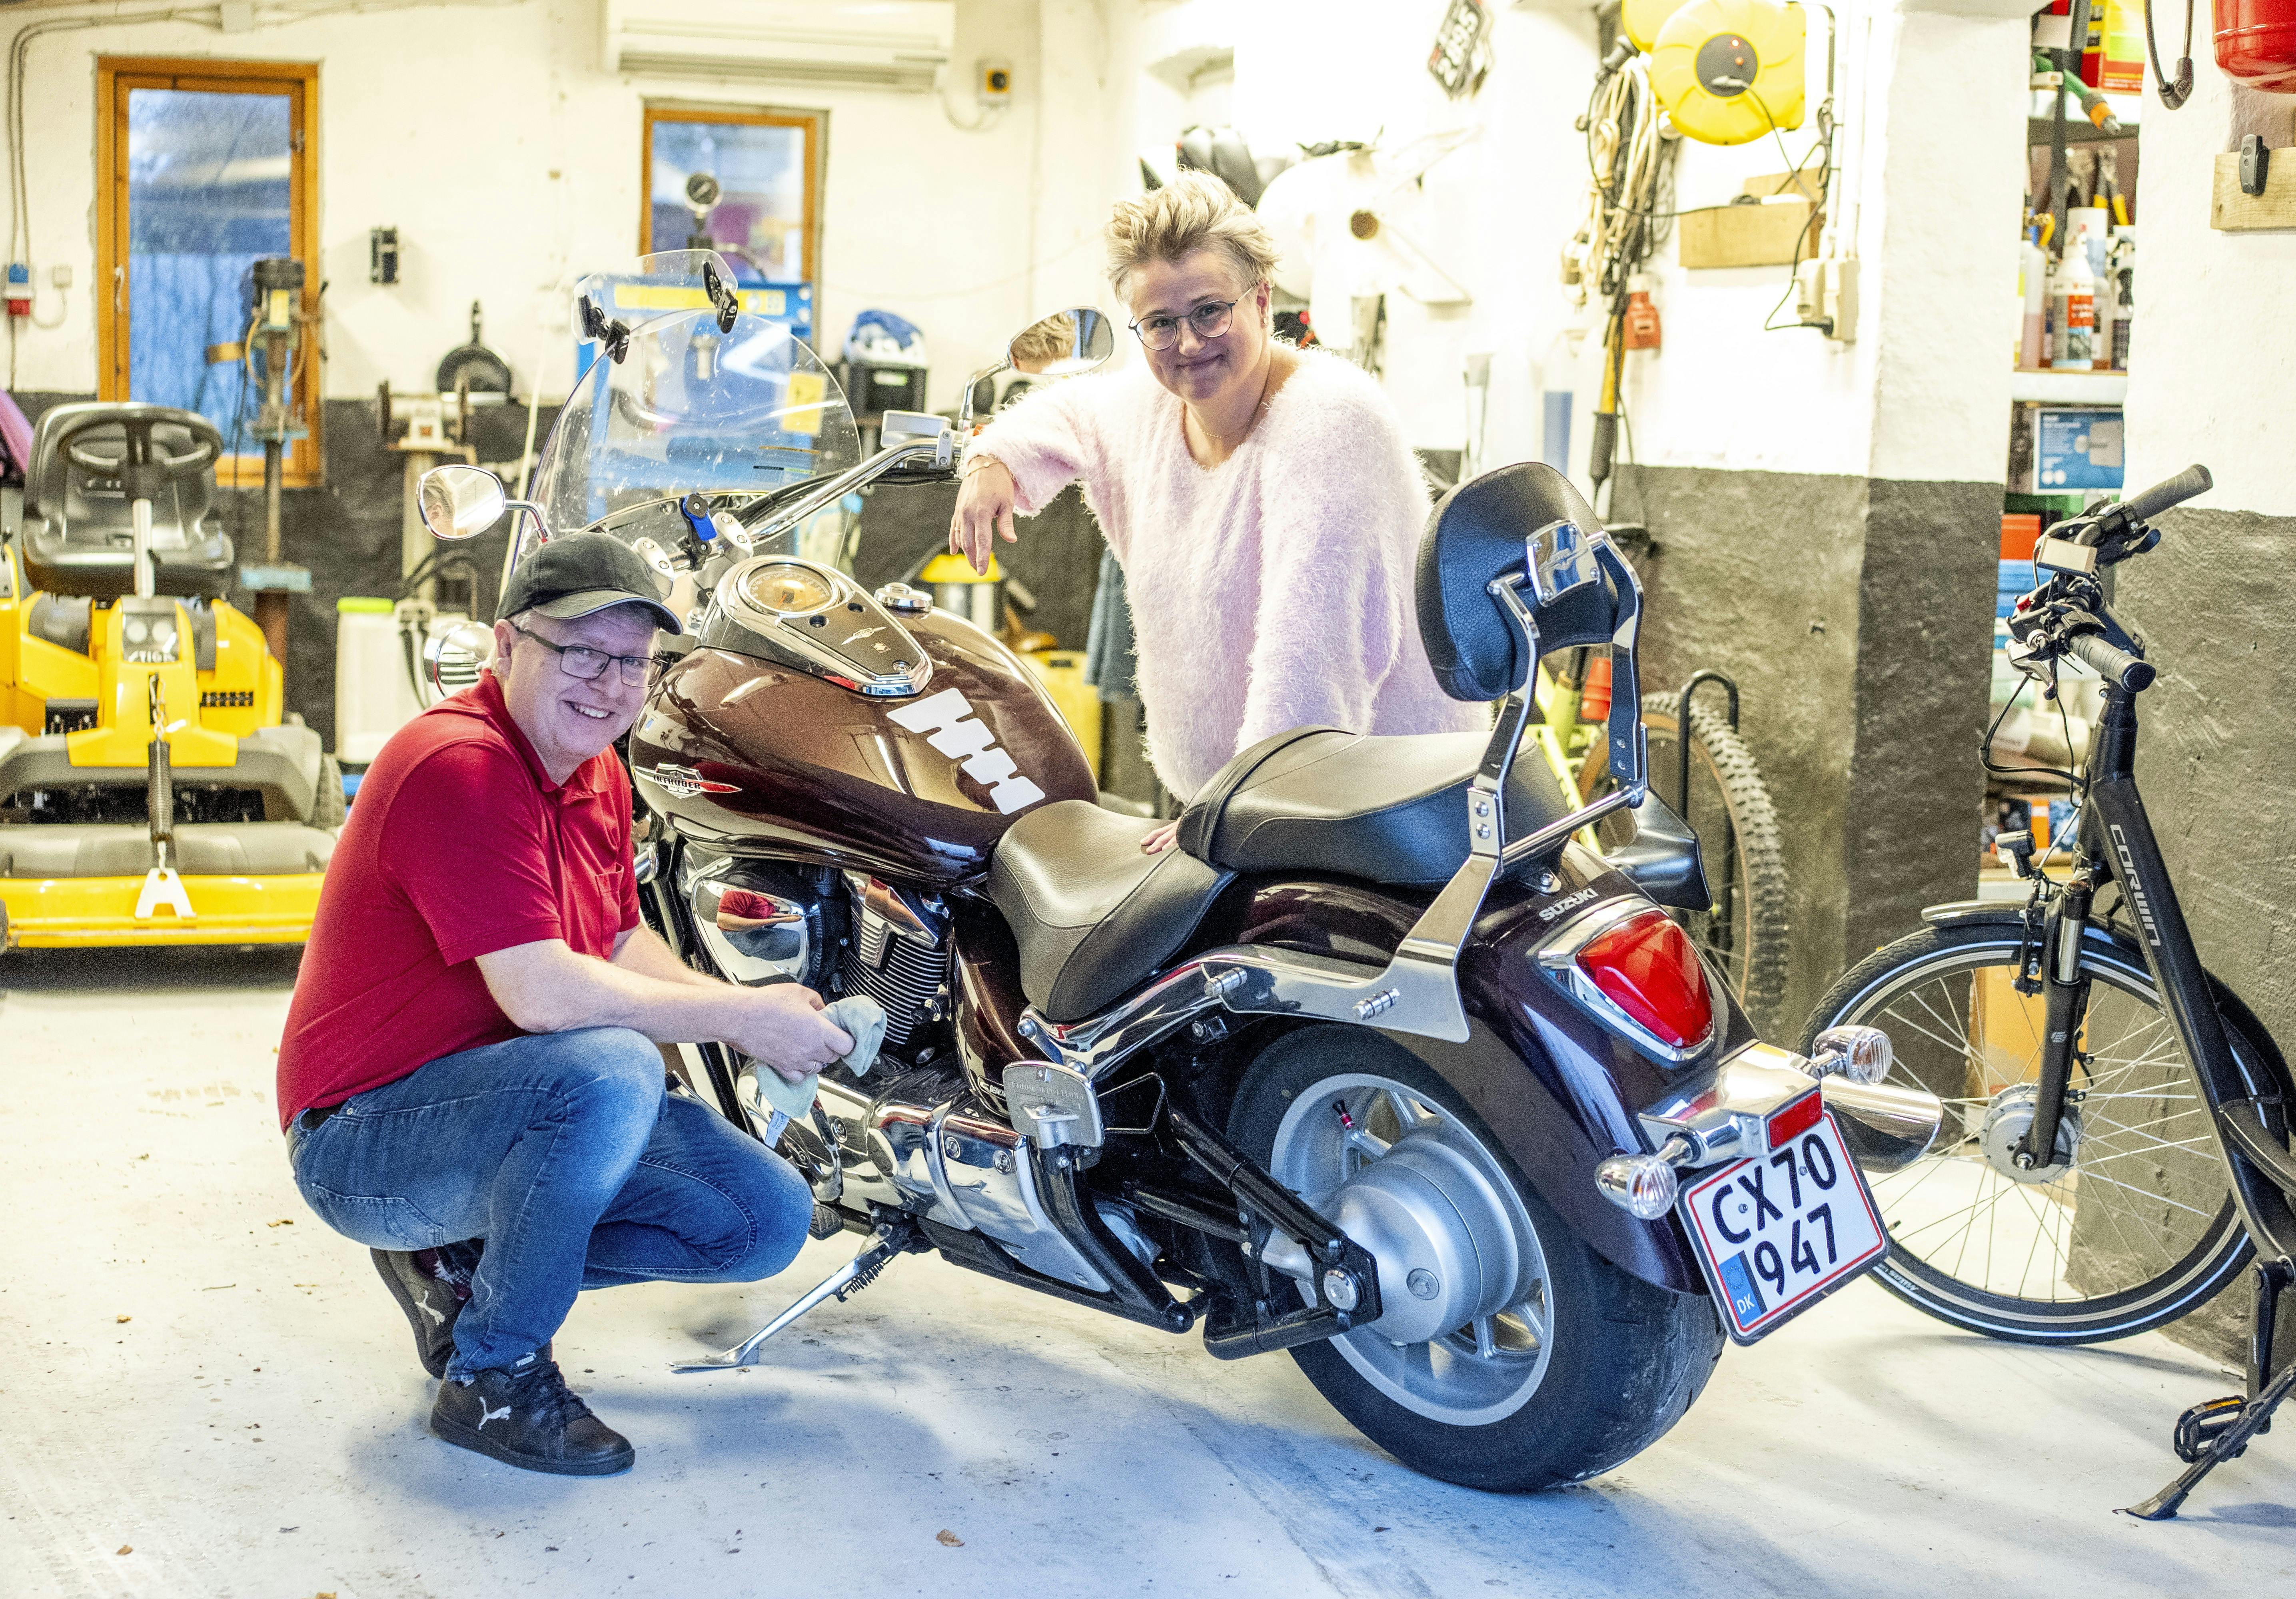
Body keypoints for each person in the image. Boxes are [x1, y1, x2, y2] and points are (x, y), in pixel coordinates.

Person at [276, 532, 853, 1478]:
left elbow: (621, 940)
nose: (610, 682)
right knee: (613, 1064)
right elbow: (542, 993)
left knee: (762, 1217)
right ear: (506, 647)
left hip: (509, 1103)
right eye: (580, 651)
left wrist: (757, 1005)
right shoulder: (457, 764)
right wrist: (743, 1022)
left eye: (634, 661)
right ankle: (494, 1373)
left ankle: (460, 1270)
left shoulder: (593, 771)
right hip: (365, 1137)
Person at [948, 173, 1481, 847]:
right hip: (1258, 809)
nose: (1190, 344)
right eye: (1161, 324)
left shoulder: (1330, 423)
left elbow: (1312, 657)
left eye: (1210, 311)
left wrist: (1238, 815)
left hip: (1378, 816)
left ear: (1261, 300)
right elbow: (1076, 410)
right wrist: (993, 460)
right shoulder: (1152, 404)